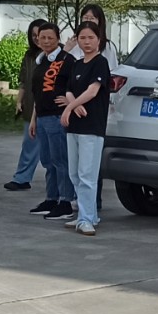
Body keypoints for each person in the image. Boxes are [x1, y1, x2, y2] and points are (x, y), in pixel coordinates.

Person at [56, 22, 113, 235]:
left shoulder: (101, 63)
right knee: (75, 174)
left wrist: (69, 107)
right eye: (82, 38)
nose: (87, 42)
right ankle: (86, 214)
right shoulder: (77, 64)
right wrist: (73, 104)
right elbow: (68, 90)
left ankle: (87, 219)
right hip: (74, 127)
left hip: (92, 127)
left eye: (91, 37)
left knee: (87, 174)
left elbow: (93, 91)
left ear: (99, 40)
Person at [27, 23, 76, 221]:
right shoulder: (41, 61)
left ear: (58, 39)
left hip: (57, 117)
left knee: (60, 160)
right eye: (42, 38)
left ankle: (66, 201)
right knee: (48, 161)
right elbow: (37, 94)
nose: (46, 41)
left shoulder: (66, 60)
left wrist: (70, 101)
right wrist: (33, 119)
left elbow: (77, 83)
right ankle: (51, 198)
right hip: (42, 117)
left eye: (50, 38)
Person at [3, 18, 50, 192]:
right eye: (34, 35)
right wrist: (19, 101)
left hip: (49, 107)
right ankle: (22, 178)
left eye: (40, 34)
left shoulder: (55, 56)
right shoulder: (29, 56)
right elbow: (23, 81)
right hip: (30, 105)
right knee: (29, 143)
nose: (37, 38)